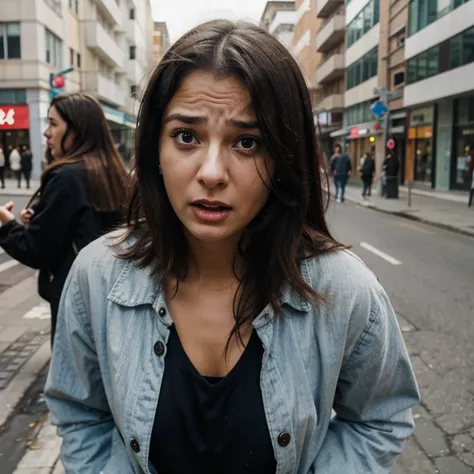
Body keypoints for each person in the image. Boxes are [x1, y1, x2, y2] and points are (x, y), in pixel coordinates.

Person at [44, 20, 419, 474]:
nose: (212, 172)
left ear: (284, 157)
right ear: (152, 149)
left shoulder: (345, 289)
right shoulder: (97, 276)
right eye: (187, 136)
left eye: (247, 142)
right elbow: (80, 412)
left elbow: (380, 418)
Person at [0, 93, 129, 345]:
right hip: (114, 298)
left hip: (76, 303)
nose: (46, 133)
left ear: (76, 130)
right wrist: (41, 219)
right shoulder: (115, 172)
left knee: (72, 380)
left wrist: (7, 224)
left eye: (53, 124)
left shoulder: (67, 177)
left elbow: (35, 249)